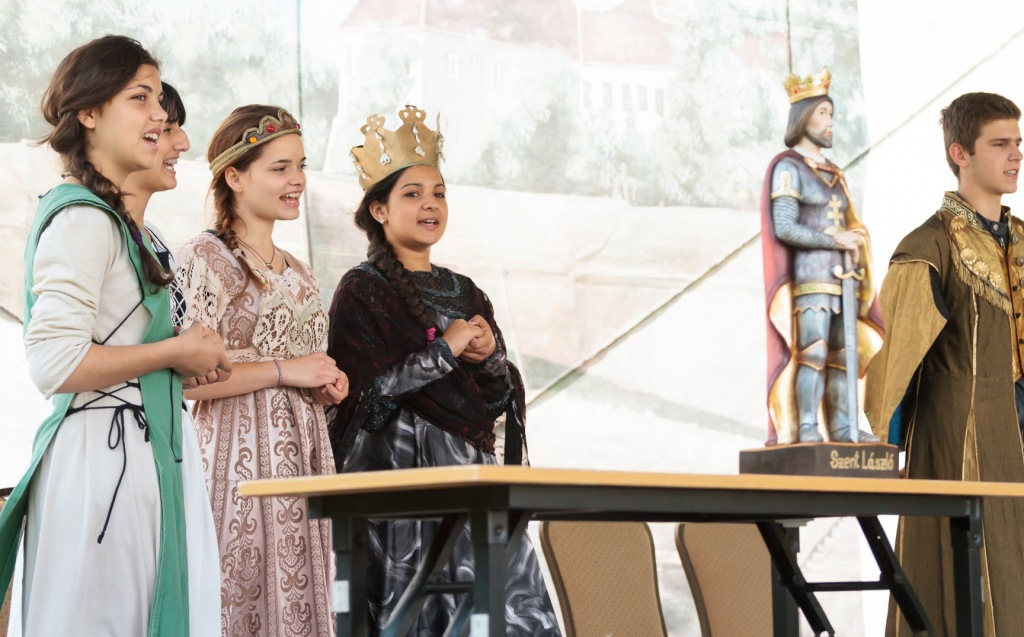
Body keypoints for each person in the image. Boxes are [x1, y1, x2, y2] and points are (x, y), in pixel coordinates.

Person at [0, 36, 229, 636]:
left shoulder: (132, 232)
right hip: (104, 465)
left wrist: (182, 365)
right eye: (141, 98)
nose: (160, 118)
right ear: (89, 113)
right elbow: (53, 362)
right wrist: (176, 350)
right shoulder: (81, 219)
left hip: (145, 453)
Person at [326, 105, 560, 635]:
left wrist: (491, 358)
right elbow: (365, 402)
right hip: (406, 485)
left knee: (509, 610)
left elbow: (495, 401)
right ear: (380, 210)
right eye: (412, 194)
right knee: (421, 616)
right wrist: (444, 352)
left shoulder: (466, 290)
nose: (430, 204)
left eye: (438, 193)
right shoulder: (362, 289)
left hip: (472, 478)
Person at [176, 104, 348, 636]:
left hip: (306, 458)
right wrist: (286, 370)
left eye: (301, 165)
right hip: (238, 465)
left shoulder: (300, 271)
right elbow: (186, 380)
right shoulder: (205, 258)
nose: (298, 180)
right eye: (280, 168)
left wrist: (323, 384)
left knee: (302, 601)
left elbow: (303, 367)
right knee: (241, 596)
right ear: (234, 176)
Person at [865, 92, 1024, 635]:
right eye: (999, 144)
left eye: (1017, 143)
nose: (1015, 155)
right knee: (965, 589)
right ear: (960, 153)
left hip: (1019, 437)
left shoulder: (1022, 242)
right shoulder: (927, 247)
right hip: (958, 438)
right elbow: (894, 361)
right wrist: (888, 449)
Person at [760, 66, 883, 444]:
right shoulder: (788, 168)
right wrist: (834, 241)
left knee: (844, 357)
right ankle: (807, 427)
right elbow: (785, 227)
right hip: (812, 282)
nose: (830, 122)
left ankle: (844, 428)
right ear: (803, 118)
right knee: (812, 353)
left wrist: (855, 240)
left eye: (832, 113)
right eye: (823, 114)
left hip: (846, 280)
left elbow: (849, 223)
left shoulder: (834, 172)